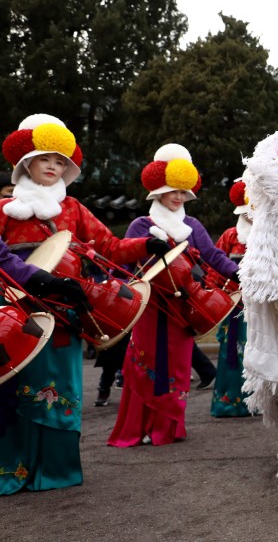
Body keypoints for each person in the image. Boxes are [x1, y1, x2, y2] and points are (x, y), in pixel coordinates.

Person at [0, 114, 167, 494]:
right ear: (26, 163)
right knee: (15, 384)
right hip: (18, 312)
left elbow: (110, 246)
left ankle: (55, 470)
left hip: (67, 309)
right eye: (45, 159)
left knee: (61, 385)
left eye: (60, 162)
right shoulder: (4, 210)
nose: (53, 167)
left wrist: (145, 244)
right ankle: (13, 468)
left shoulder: (74, 208)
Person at [107, 144, 239, 447]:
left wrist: (237, 273)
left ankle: (168, 427)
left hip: (184, 307)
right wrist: (119, 291)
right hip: (150, 306)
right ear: (158, 192)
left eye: (183, 192)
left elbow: (213, 256)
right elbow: (122, 262)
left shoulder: (192, 225)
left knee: (178, 367)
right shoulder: (141, 225)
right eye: (172, 191)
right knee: (144, 364)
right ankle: (140, 427)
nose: (178, 197)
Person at [210, 178, 251, 417]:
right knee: (232, 353)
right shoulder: (229, 236)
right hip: (234, 308)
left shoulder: (270, 235)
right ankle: (230, 403)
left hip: (263, 308)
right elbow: (213, 269)